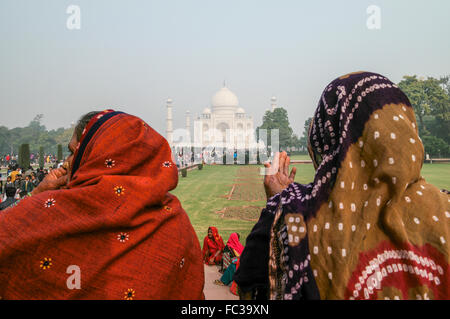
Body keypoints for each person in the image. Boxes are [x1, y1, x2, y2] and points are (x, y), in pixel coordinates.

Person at [234, 71, 449, 300]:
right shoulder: (444, 210)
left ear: (327, 136)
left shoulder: (293, 212)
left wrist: (280, 203)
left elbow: (250, 292)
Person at [0, 109, 204, 299]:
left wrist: (36, 196)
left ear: (98, 155)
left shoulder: (53, 212)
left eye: (74, 152)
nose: (66, 162)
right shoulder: (174, 222)